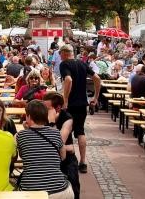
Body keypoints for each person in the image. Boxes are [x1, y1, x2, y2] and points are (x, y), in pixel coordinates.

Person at [16, 100, 73, 198]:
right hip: (59, 191)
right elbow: (63, 157)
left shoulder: (21, 135)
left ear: (29, 117)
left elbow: (22, 155)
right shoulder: (56, 133)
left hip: (31, 191)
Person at [59, 44, 101, 173]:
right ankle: (83, 162)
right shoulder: (83, 64)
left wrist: (65, 99)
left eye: (60, 54)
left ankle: (66, 160)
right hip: (83, 103)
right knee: (80, 131)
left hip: (70, 104)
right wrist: (95, 97)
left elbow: (68, 80)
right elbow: (97, 78)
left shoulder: (64, 64)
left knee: (65, 130)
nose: (60, 57)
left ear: (64, 54)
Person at [43, 91, 80, 199]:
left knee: (72, 181)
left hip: (66, 159)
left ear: (58, 108)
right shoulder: (41, 116)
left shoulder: (67, 118)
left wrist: (51, 122)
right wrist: (68, 147)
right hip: (48, 156)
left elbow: (58, 141)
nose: (44, 111)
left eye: (47, 108)